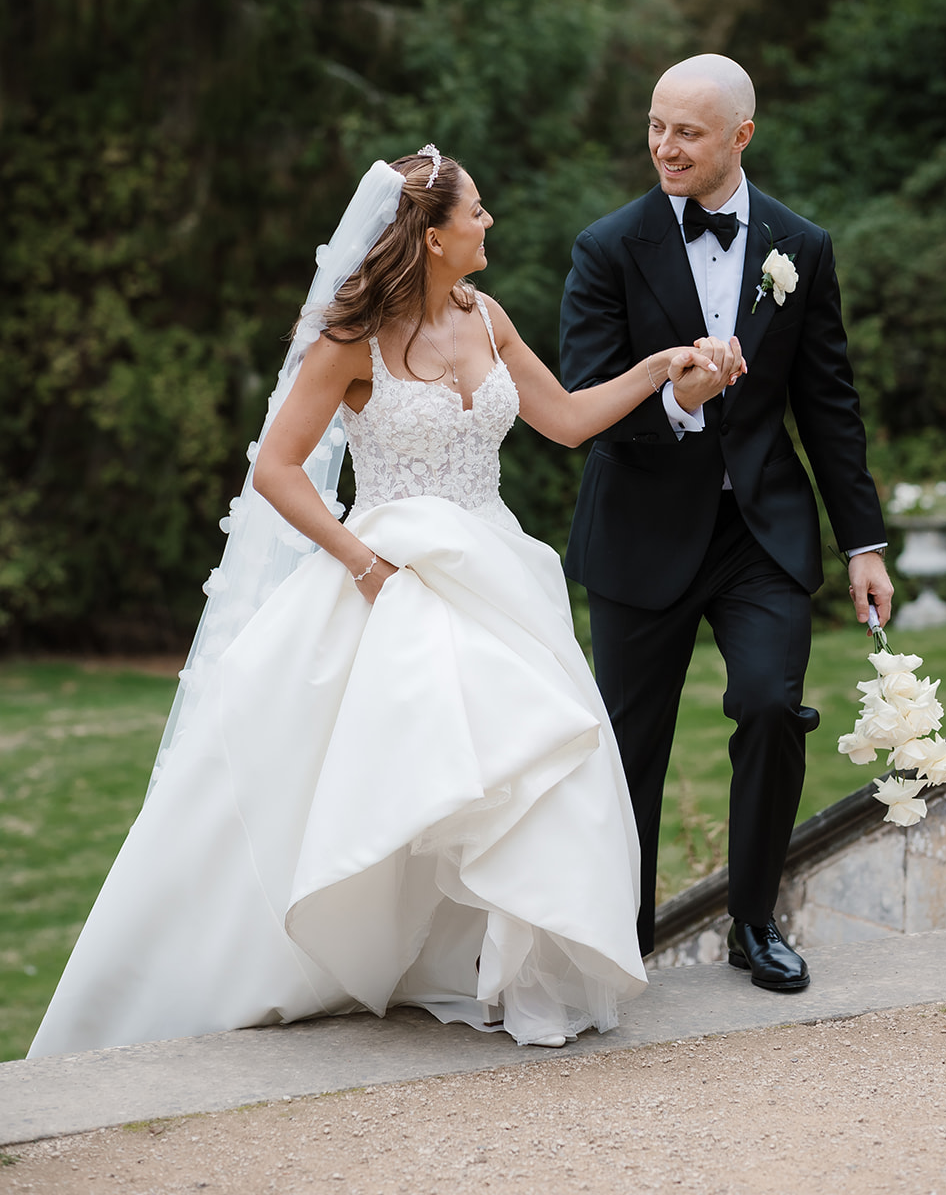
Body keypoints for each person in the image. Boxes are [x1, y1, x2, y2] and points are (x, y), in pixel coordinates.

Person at [29, 148, 738, 1059]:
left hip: (493, 570)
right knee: (408, 763)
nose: (489, 224)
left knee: (524, 759)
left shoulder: (486, 315)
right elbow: (274, 470)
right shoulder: (350, 340)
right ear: (432, 235)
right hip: (390, 572)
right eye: (476, 212)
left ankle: (501, 965)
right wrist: (361, 563)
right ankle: (328, 958)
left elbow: (562, 420)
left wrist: (659, 369)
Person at [560, 55, 893, 992]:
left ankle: (754, 922)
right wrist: (680, 403)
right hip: (638, 530)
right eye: (657, 126)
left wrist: (862, 544)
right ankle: (619, 942)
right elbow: (584, 397)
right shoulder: (605, 247)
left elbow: (829, 405)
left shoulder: (801, 246)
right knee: (628, 748)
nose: (665, 146)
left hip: (761, 532)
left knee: (768, 705)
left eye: (688, 132)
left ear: (739, 137)